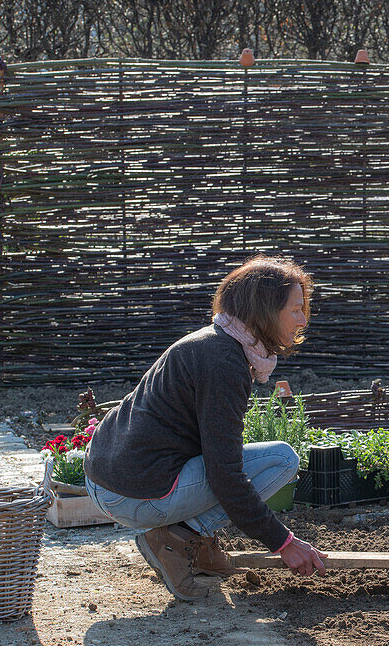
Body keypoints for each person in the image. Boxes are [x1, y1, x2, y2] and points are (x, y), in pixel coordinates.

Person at [84, 255, 327, 601]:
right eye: (295, 310)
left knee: (268, 460)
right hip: (131, 493)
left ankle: (191, 543)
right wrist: (284, 543)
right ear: (264, 311)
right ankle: (174, 540)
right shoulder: (224, 362)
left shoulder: (215, 342)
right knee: (281, 460)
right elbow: (225, 475)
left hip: (109, 480)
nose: (303, 320)